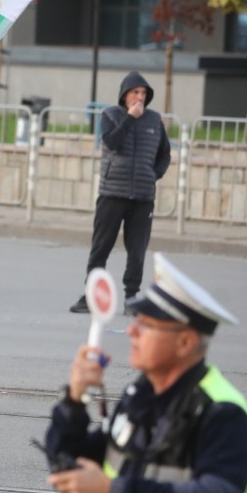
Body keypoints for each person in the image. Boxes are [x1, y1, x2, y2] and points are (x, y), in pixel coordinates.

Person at [45, 253, 247, 493]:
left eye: (146, 324)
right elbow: (67, 463)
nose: (131, 331)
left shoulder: (222, 412)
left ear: (185, 342)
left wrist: (112, 491)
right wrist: (74, 399)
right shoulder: (142, 395)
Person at [70, 71, 171, 314]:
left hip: (142, 197)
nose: (140, 97)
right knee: (101, 247)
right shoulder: (110, 116)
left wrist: (153, 174)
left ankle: (131, 297)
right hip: (112, 193)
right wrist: (129, 118)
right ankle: (90, 295)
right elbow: (111, 142)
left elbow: (165, 154)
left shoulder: (155, 120)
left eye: (144, 93)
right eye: (135, 92)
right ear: (124, 95)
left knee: (137, 250)